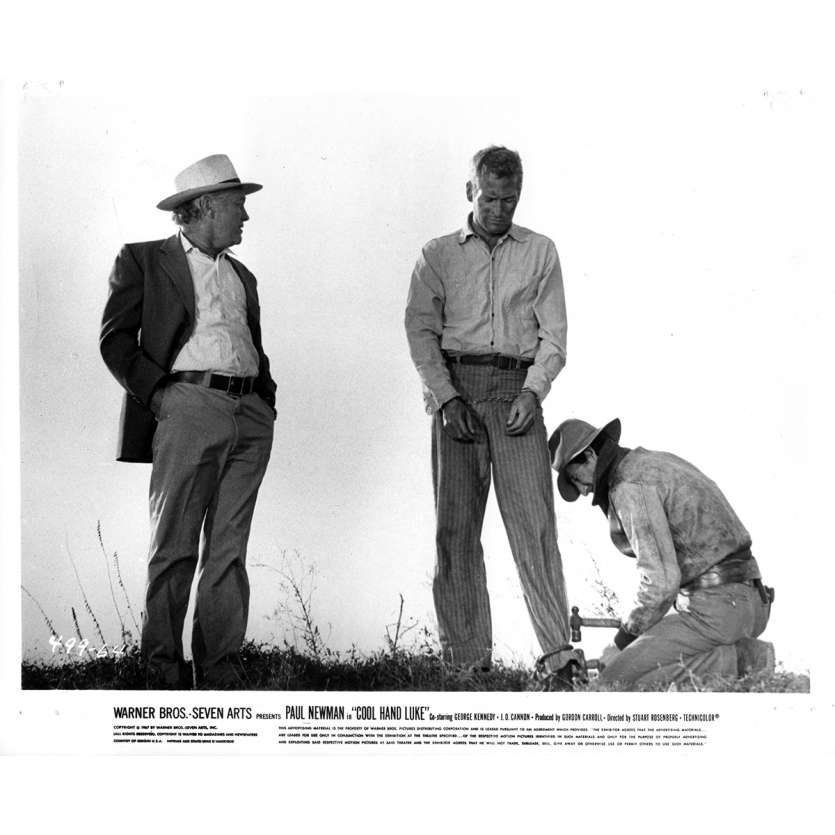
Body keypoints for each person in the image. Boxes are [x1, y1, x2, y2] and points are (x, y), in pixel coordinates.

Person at [100, 154, 277, 689]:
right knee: (174, 544)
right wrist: (161, 398)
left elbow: (252, 343)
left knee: (229, 549)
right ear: (203, 209)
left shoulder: (243, 274)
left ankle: (220, 672)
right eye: (238, 205)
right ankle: (160, 672)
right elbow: (115, 341)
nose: (245, 217)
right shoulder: (144, 260)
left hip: (250, 414)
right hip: (187, 406)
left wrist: (265, 398)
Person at [405, 145, 576, 682]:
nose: (500, 209)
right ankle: (466, 665)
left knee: (535, 527)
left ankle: (559, 659)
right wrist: (448, 399)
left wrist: (533, 392)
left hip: (517, 394)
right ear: (469, 192)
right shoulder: (437, 255)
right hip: (456, 393)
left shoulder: (541, 252)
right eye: (490, 197)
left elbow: (555, 337)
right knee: (454, 533)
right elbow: (419, 332)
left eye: (511, 199)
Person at [549, 417, 774, 690]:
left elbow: (661, 583)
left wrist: (619, 644)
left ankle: (744, 661)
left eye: (576, 479)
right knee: (647, 671)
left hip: (717, 610)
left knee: (612, 684)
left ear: (590, 455)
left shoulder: (628, 485)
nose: (583, 491)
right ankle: (732, 659)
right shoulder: (653, 462)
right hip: (752, 600)